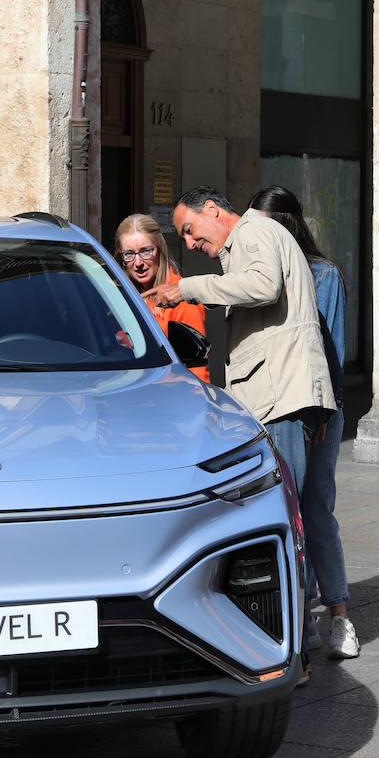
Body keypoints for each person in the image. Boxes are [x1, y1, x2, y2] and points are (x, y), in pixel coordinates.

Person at [144, 184, 336, 521]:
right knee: (290, 516)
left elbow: (263, 284)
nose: (189, 244)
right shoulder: (251, 239)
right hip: (281, 399)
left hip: (281, 402)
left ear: (211, 210)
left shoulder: (252, 230)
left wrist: (187, 288)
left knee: (284, 516)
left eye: (189, 230)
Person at [248, 186, 358, 660]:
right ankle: (303, 610)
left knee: (316, 511)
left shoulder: (322, 275)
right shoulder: (254, 272)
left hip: (319, 406)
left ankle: (339, 616)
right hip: (274, 407)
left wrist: (320, 412)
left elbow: (332, 351)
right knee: (285, 514)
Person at [112, 212, 209, 382]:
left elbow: (197, 369)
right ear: (120, 257)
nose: (138, 263)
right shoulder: (115, 296)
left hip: (168, 396)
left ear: (159, 250)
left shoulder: (180, 298)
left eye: (146, 251)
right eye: (129, 254)